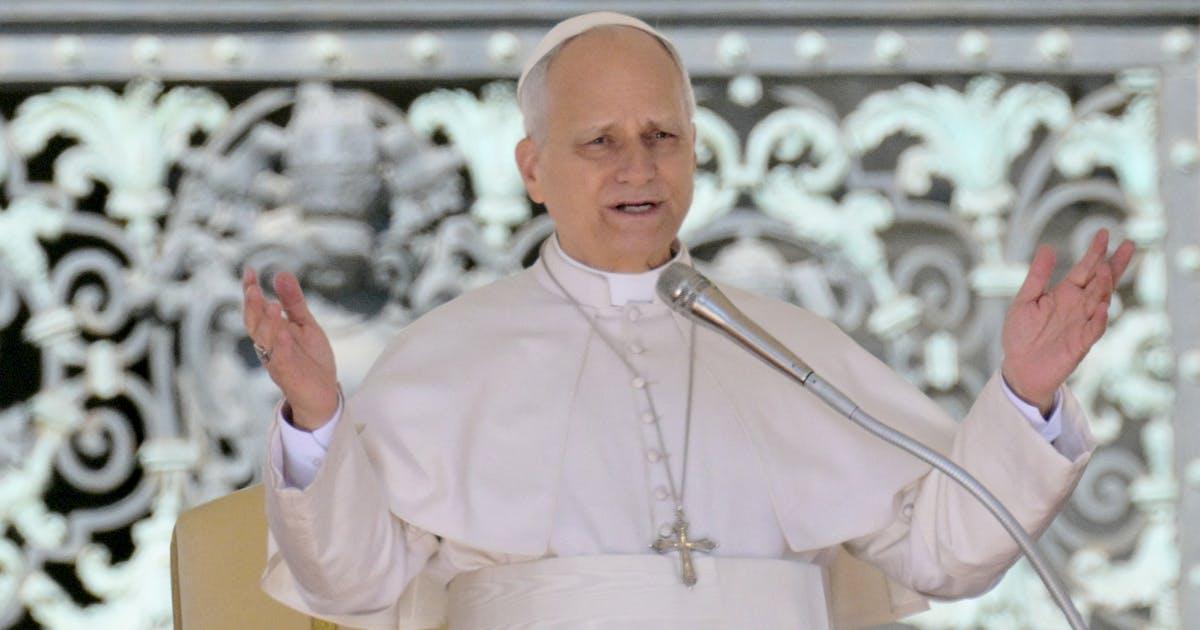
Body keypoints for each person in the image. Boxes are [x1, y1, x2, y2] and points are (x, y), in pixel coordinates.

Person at [242, 12, 1135, 629]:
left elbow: (948, 554)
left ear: (694, 153)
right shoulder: (446, 355)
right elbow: (353, 581)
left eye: (661, 136)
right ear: (533, 168)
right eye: (600, 141)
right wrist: (319, 419)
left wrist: (1025, 392)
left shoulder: (787, 344)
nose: (638, 167)